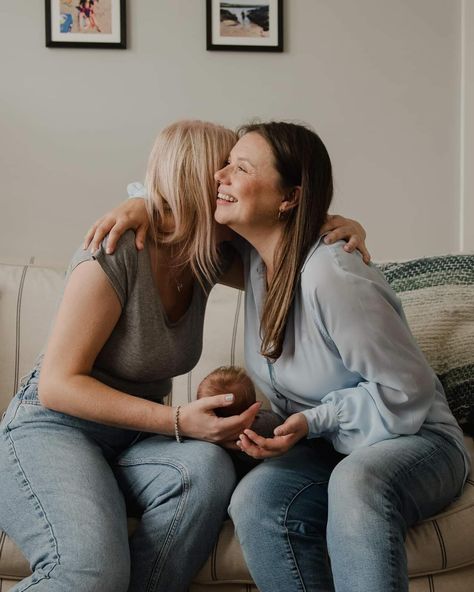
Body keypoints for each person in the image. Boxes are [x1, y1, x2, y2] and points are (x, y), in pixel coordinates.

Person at [86, 120, 470, 592]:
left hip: (413, 437)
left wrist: (313, 421)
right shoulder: (252, 261)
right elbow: (179, 212)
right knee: (257, 499)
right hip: (325, 445)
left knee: (357, 483)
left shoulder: (332, 277)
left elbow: (406, 394)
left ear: (288, 198)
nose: (219, 176)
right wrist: (141, 203)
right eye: (225, 165)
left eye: (239, 168)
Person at [0, 119, 367, 592]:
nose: (232, 181)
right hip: (53, 430)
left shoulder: (207, 254)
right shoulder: (113, 252)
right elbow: (57, 386)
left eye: (238, 170)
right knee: (89, 574)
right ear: (198, 182)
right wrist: (177, 421)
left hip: (133, 439)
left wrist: (343, 226)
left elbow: (285, 246)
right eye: (226, 171)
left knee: (207, 471)